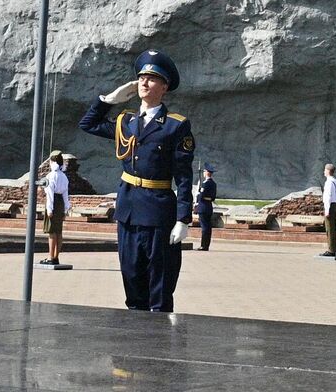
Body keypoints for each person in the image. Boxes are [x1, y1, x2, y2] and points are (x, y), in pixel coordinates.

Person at [79, 49, 195, 312]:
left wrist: (183, 219)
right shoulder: (126, 121)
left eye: (152, 79)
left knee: (160, 287)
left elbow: (184, 178)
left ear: (164, 87)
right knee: (132, 281)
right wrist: (108, 100)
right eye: (141, 77)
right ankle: (134, 347)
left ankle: (159, 345)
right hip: (129, 211)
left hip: (158, 214)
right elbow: (88, 124)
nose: (144, 82)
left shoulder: (175, 126)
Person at [39, 149, 72, 269]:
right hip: (61, 204)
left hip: (54, 203)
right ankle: (56, 256)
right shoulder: (64, 176)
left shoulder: (51, 176)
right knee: (59, 232)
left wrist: (49, 208)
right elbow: (65, 193)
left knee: (52, 232)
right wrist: (65, 209)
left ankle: (50, 257)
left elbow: (50, 193)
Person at [318, 163, 336, 259]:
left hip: (330, 206)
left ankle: (331, 250)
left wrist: (327, 210)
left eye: (325, 170)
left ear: (328, 171)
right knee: (332, 229)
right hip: (334, 205)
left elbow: (328, 197)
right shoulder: (335, 181)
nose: (324, 171)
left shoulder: (329, 182)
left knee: (329, 229)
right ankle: (332, 249)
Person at [194, 164, 217, 252]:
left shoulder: (205, 183)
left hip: (203, 207)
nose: (203, 173)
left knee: (204, 227)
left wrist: (198, 194)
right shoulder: (213, 184)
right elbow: (213, 197)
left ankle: (203, 245)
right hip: (208, 207)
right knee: (208, 227)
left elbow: (202, 196)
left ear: (207, 173)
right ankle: (206, 245)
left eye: (204, 171)